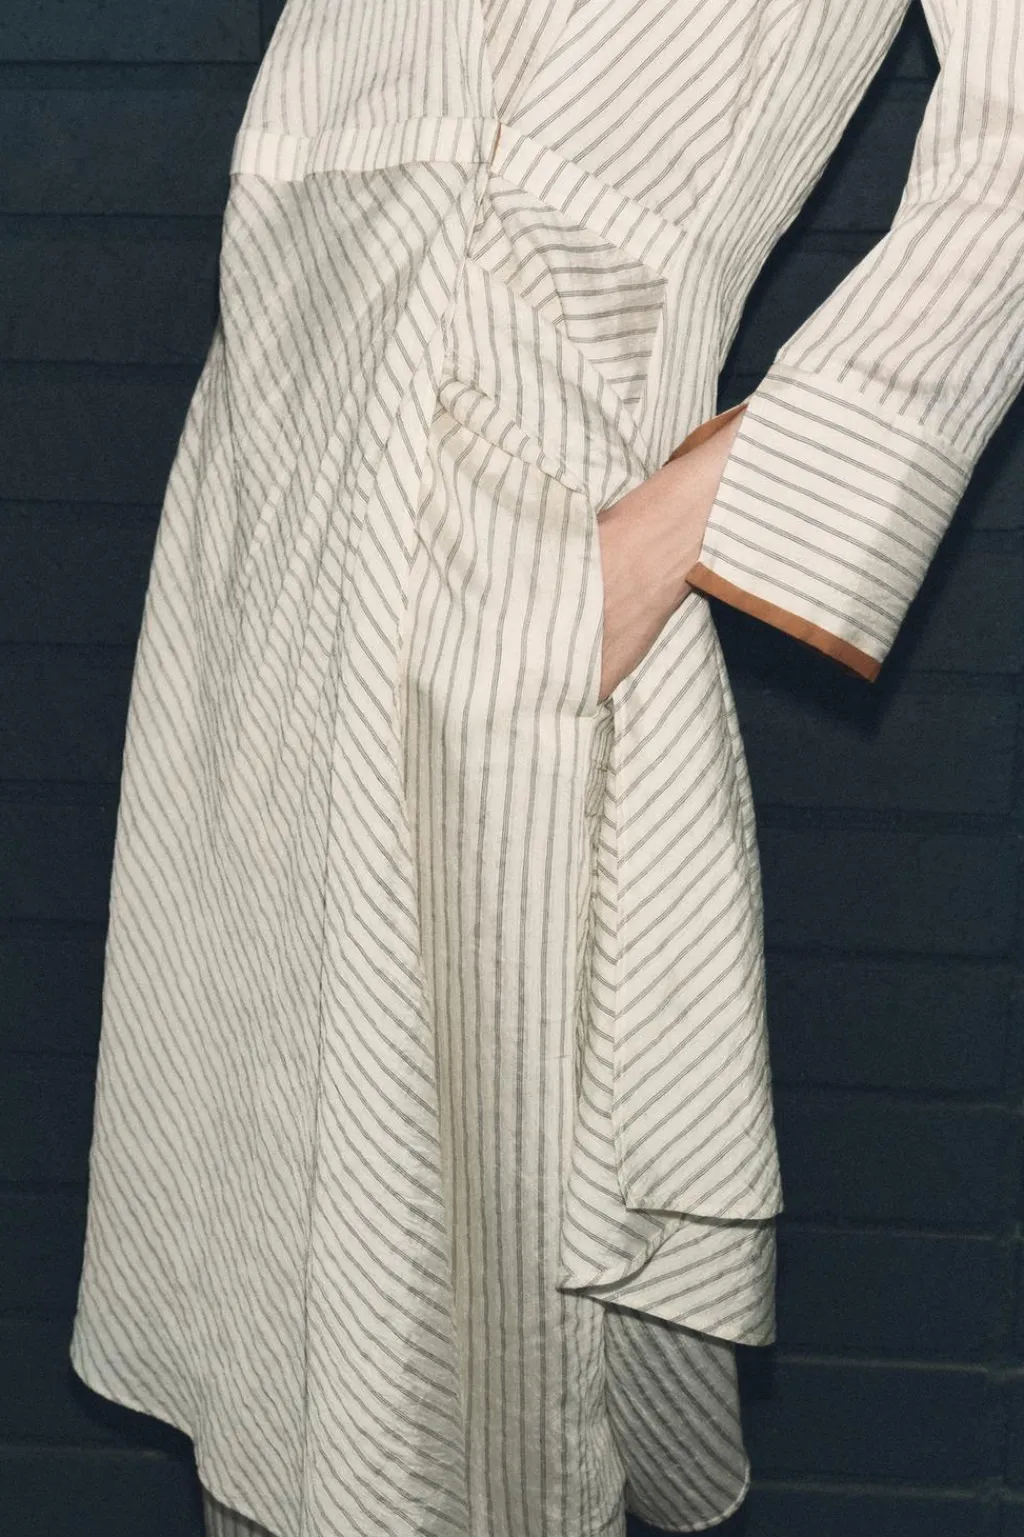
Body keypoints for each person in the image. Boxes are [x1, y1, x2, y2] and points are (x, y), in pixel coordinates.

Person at [68, 1, 1024, 1534]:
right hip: (266, 479)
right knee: (267, 1324)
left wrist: (688, 523)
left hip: (509, 519)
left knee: (451, 1404)